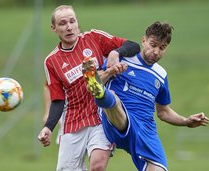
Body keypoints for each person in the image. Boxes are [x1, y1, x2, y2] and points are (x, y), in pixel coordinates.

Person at [82, 21, 209, 171]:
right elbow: (93, 83)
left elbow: (163, 112)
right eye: (153, 45)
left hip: (146, 129)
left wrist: (186, 121)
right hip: (120, 119)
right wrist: (111, 71)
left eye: (162, 48)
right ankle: (102, 95)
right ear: (144, 41)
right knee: (113, 99)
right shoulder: (124, 57)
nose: (156, 51)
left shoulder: (161, 75)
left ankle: (103, 95)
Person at [37, 5, 140, 171]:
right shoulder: (51, 61)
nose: (69, 26)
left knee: (97, 167)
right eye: (63, 23)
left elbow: (133, 45)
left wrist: (115, 53)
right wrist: (48, 128)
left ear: (77, 22)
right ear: (54, 28)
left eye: (72, 21)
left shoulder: (94, 38)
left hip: (101, 116)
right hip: (73, 121)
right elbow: (57, 100)